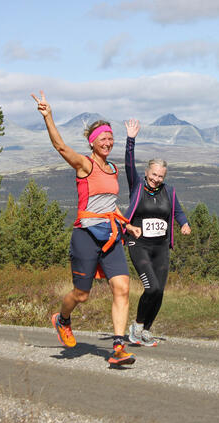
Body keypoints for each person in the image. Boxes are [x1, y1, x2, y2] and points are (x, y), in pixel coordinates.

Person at [31, 90, 142, 366]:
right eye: (103, 138)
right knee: (82, 294)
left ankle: (117, 348)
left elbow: (111, 205)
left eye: (111, 138)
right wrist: (49, 117)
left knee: (123, 288)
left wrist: (128, 225)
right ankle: (63, 319)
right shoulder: (85, 165)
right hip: (86, 235)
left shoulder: (113, 170)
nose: (108, 142)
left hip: (112, 236)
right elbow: (60, 147)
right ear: (93, 143)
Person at [123, 119, 191, 346]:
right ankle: (137, 326)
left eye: (160, 176)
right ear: (147, 172)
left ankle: (146, 330)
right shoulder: (136, 185)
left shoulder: (169, 192)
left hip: (161, 247)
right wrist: (130, 140)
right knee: (150, 287)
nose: (156, 179)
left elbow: (178, 211)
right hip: (139, 244)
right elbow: (128, 165)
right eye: (153, 175)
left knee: (159, 291)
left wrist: (184, 223)